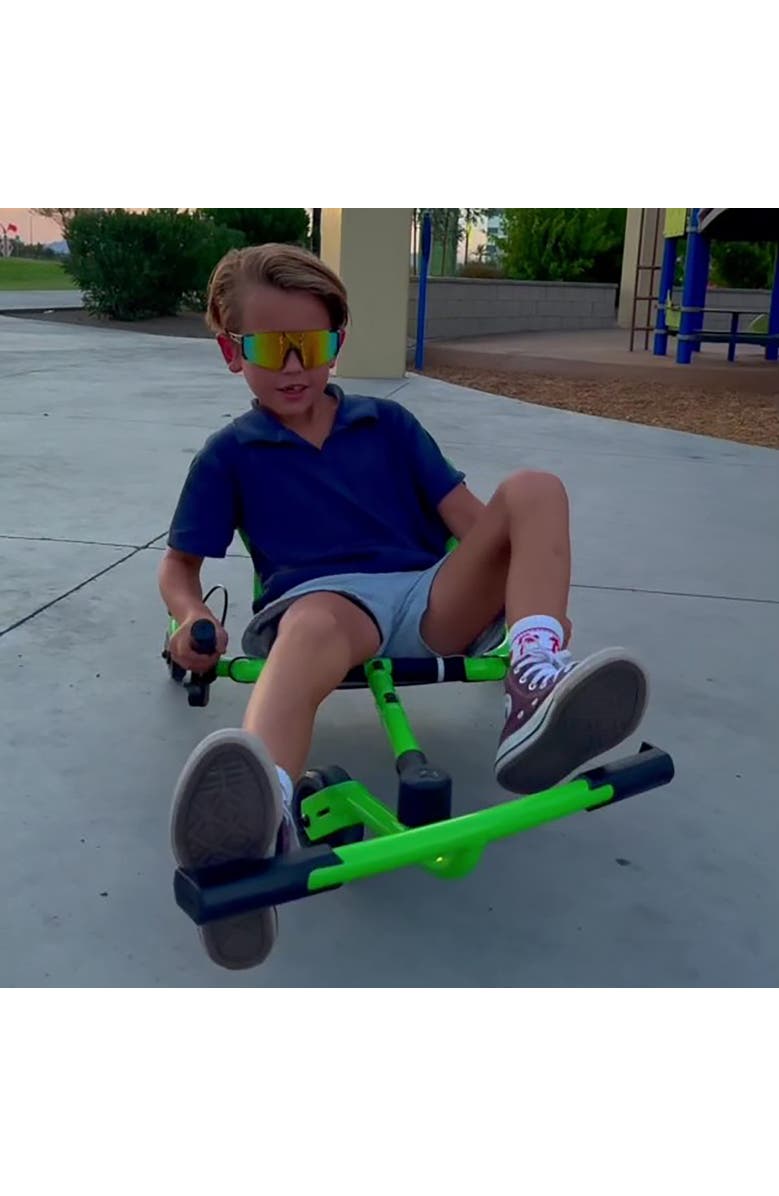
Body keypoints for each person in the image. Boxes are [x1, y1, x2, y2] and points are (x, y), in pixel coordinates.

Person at [161, 243, 648, 970]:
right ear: (234, 352)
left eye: (311, 345)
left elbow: (477, 525)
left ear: (336, 345)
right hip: (325, 603)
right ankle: (261, 819)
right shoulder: (228, 455)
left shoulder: (388, 425)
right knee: (312, 626)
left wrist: (525, 600)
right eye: (269, 347)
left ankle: (534, 685)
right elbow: (180, 565)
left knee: (536, 489)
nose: (293, 366)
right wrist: (191, 616)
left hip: (427, 596)